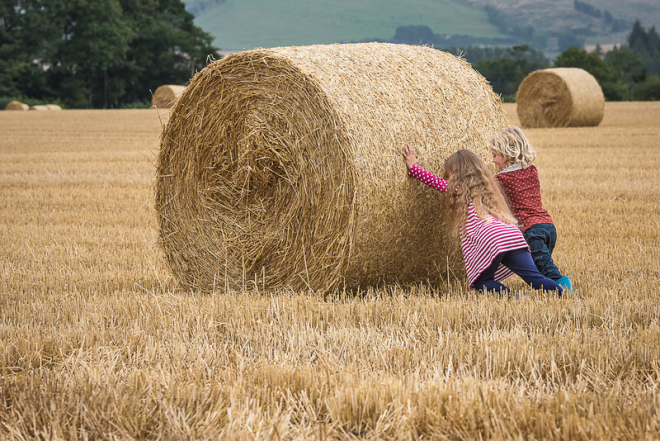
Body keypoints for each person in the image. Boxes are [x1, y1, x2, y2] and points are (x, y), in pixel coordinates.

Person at [403, 146, 562, 297]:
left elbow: (435, 182)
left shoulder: (460, 188)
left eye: (448, 173)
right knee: (535, 278)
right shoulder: (489, 187)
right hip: (512, 235)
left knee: (482, 282)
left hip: (492, 238)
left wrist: (413, 167)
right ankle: (567, 296)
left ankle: (515, 297)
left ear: (454, 173)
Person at [490, 126, 573, 294]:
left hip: (531, 231)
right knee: (540, 268)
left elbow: (485, 188)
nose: (492, 161)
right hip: (547, 226)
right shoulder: (531, 170)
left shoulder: (503, 179)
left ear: (506, 155)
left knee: (546, 270)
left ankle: (567, 294)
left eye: (494, 156)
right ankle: (551, 291)